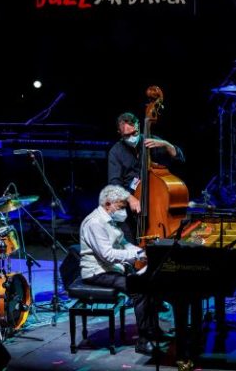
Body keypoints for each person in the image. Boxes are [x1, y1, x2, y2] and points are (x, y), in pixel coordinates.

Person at [79, 184, 170, 356]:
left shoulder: (110, 220)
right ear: (107, 204)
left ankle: (153, 330)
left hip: (111, 269)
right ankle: (143, 341)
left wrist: (141, 252)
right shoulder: (95, 223)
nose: (123, 211)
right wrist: (135, 257)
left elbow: (123, 243)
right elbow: (107, 255)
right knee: (139, 290)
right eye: (120, 207)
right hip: (97, 272)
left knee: (150, 282)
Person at [107, 111, 185, 245]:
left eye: (134, 133)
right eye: (127, 135)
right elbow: (114, 183)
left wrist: (166, 144)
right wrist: (130, 198)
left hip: (155, 204)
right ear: (119, 133)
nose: (132, 137)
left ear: (138, 126)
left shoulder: (151, 141)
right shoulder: (116, 152)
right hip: (129, 205)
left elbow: (181, 160)